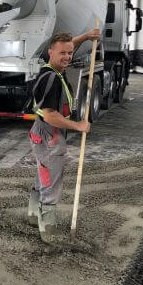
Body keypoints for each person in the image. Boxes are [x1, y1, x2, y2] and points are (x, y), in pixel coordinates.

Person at [28, 30, 98, 241]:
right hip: (50, 133)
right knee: (51, 180)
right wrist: (78, 125)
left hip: (41, 131)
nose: (67, 56)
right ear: (51, 52)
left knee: (44, 173)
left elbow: (66, 46)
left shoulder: (51, 68)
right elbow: (50, 116)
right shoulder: (51, 79)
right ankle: (48, 231)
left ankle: (33, 215)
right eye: (63, 53)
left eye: (70, 52)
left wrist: (85, 36)